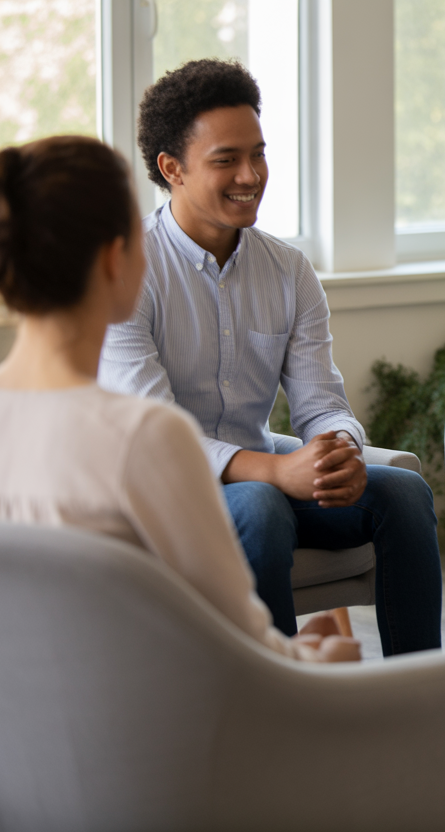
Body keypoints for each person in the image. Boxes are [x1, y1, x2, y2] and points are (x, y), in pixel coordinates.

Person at [99, 59, 441, 656]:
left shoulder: (288, 271)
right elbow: (158, 438)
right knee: (261, 503)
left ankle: (417, 703)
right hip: (163, 494)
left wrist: (341, 450)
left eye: (258, 154)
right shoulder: (131, 273)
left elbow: (321, 401)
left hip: (259, 476)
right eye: (226, 159)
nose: (251, 175)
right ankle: (279, 714)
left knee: (404, 494)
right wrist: (277, 472)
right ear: (171, 169)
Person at [0, 134, 357, 664]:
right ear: (114, 259)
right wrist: (319, 660)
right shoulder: (146, 436)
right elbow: (245, 654)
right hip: (155, 727)